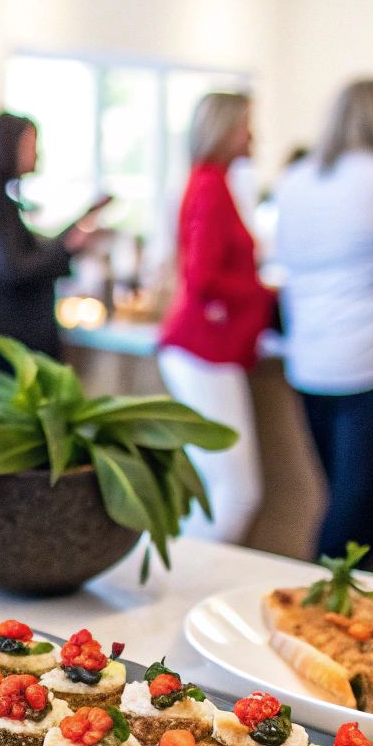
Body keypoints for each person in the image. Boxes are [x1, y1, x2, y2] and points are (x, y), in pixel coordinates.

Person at [274, 79, 373, 561]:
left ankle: (361, 607)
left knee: (348, 494)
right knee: (356, 501)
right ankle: (320, 599)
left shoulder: (296, 180)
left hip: (308, 359)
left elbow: (284, 261)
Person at [157, 91, 276, 544]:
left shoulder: (212, 182)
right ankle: (191, 588)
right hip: (203, 348)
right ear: (226, 129)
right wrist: (262, 292)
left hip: (209, 349)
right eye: (246, 124)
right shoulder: (208, 186)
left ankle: (187, 580)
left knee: (225, 487)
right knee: (236, 492)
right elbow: (202, 277)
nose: (253, 134)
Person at [0, 113, 109, 389]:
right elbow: (12, 266)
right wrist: (67, 247)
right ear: (9, 145)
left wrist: (70, 235)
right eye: (30, 144)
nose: (37, 153)